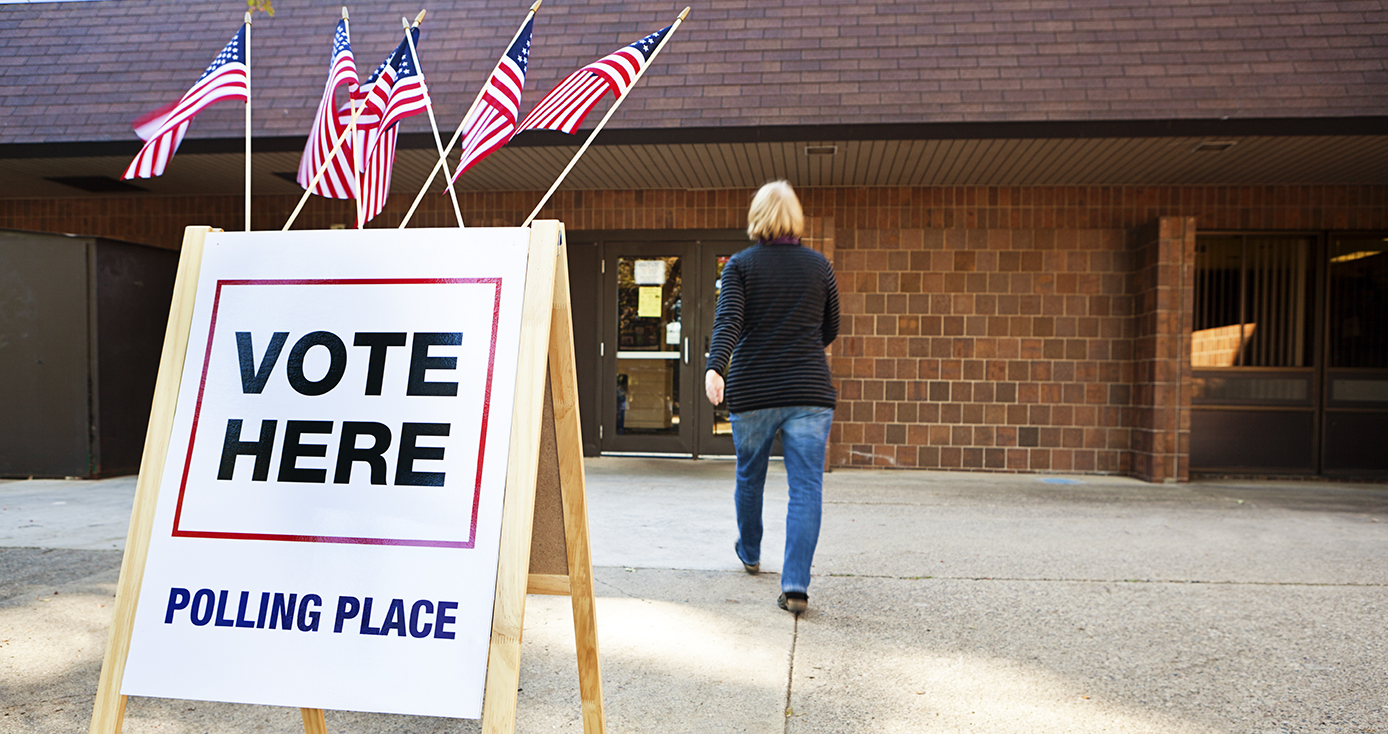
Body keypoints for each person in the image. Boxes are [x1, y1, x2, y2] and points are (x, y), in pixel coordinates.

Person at [704, 180, 839, 615]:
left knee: (750, 475)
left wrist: (715, 367)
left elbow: (729, 322)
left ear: (756, 216)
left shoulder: (741, 266)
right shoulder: (820, 266)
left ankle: (750, 551)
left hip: (755, 388)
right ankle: (796, 584)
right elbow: (830, 329)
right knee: (806, 488)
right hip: (808, 390)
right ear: (795, 217)